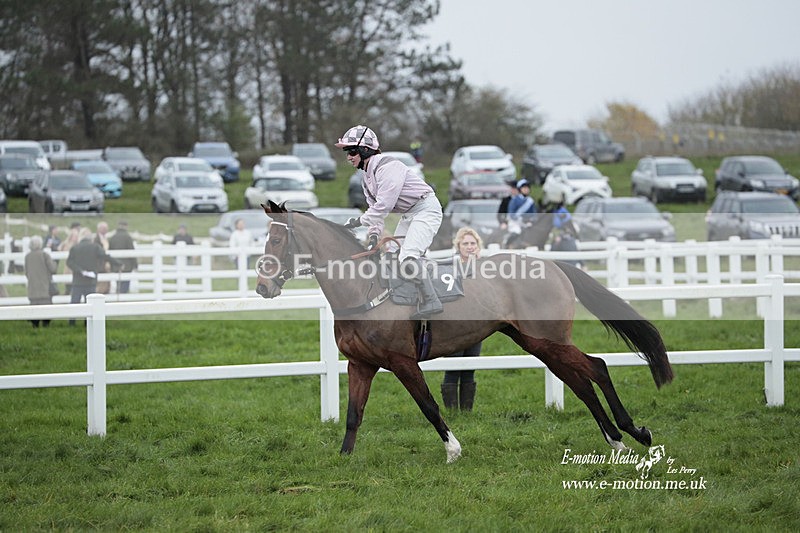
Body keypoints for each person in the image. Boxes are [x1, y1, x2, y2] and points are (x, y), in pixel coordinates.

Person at [338, 125, 443, 319]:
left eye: (351, 151)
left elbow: (383, 206)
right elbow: (375, 214)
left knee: (407, 257)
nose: (349, 157)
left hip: (426, 210)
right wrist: (373, 236)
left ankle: (432, 299)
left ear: (364, 150)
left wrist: (357, 221)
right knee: (391, 256)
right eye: (347, 152)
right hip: (410, 214)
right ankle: (405, 297)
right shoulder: (366, 178)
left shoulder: (388, 167)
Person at [441, 227, 483, 410]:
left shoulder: (484, 268)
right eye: (465, 243)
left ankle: (466, 413)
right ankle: (452, 413)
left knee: (470, 368)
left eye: (473, 243)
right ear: (458, 246)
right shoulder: (451, 267)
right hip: (454, 325)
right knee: (452, 368)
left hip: (476, 325)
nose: (470, 247)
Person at [66, 228, 121, 326]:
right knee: (90, 303)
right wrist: (118, 263)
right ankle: (87, 323)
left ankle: (71, 323)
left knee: (74, 302)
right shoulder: (95, 247)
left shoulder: (75, 248)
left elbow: (69, 262)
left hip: (78, 281)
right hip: (90, 281)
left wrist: (79, 270)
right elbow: (105, 256)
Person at [24, 235, 58, 328]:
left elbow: (26, 272)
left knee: (34, 306)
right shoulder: (44, 255)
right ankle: (45, 325)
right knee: (46, 306)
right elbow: (53, 269)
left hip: (32, 287)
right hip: (44, 286)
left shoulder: (27, 256)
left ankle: (35, 325)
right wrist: (55, 263)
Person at [505, 179, 538, 247]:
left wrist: (531, 220)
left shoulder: (530, 201)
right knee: (517, 231)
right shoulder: (514, 200)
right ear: (520, 189)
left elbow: (534, 214)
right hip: (515, 222)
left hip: (526, 223)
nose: (526, 189)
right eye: (524, 188)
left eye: (527, 188)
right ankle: (507, 245)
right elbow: (511, 213)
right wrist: (520, 219)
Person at [108, 220, 137, 294]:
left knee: (118, 284)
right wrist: (135, 265)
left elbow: (110, 251)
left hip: (116, 266)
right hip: (127, 266)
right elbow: (131, 252)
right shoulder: (128, 237)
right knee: (125, 286)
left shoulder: (113, 237)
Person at [59, 222, 82, 296]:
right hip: (70, 266)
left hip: (75, 265)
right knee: (70, 282)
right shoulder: (69, 243)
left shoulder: (76, 243)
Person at [94, 221, 111, 294]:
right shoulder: (96, 239)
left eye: (106, 228)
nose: (105, 230)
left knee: (106, 285)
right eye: (103, 228)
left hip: (106, 265)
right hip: (100, 265)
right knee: (100, 287)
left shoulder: (106, 238)